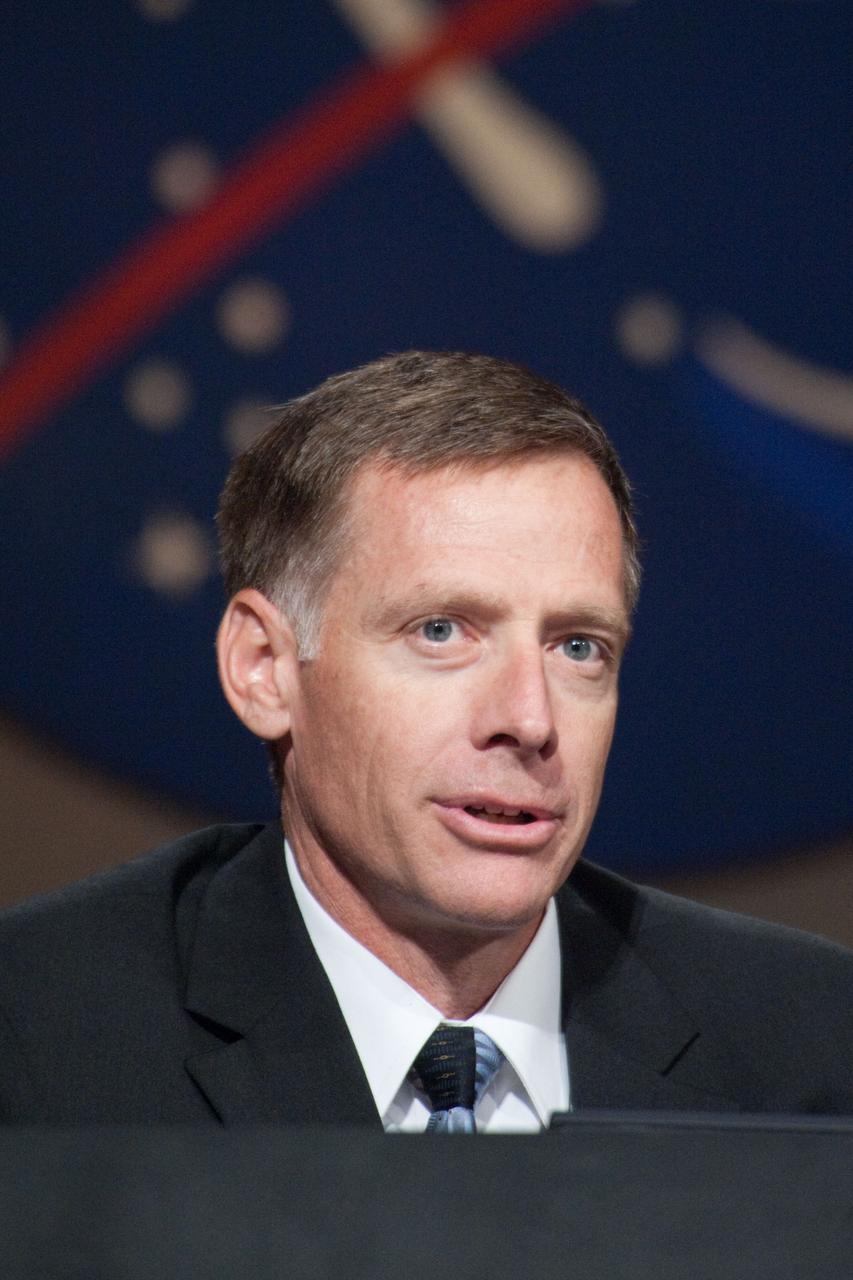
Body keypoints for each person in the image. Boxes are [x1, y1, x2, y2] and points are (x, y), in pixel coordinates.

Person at [0, 351, 850, 1126]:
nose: (529, 719)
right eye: (441, 631)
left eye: (577, 647)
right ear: (265, 668)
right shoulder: (41, 1045)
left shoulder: (811, 1050)